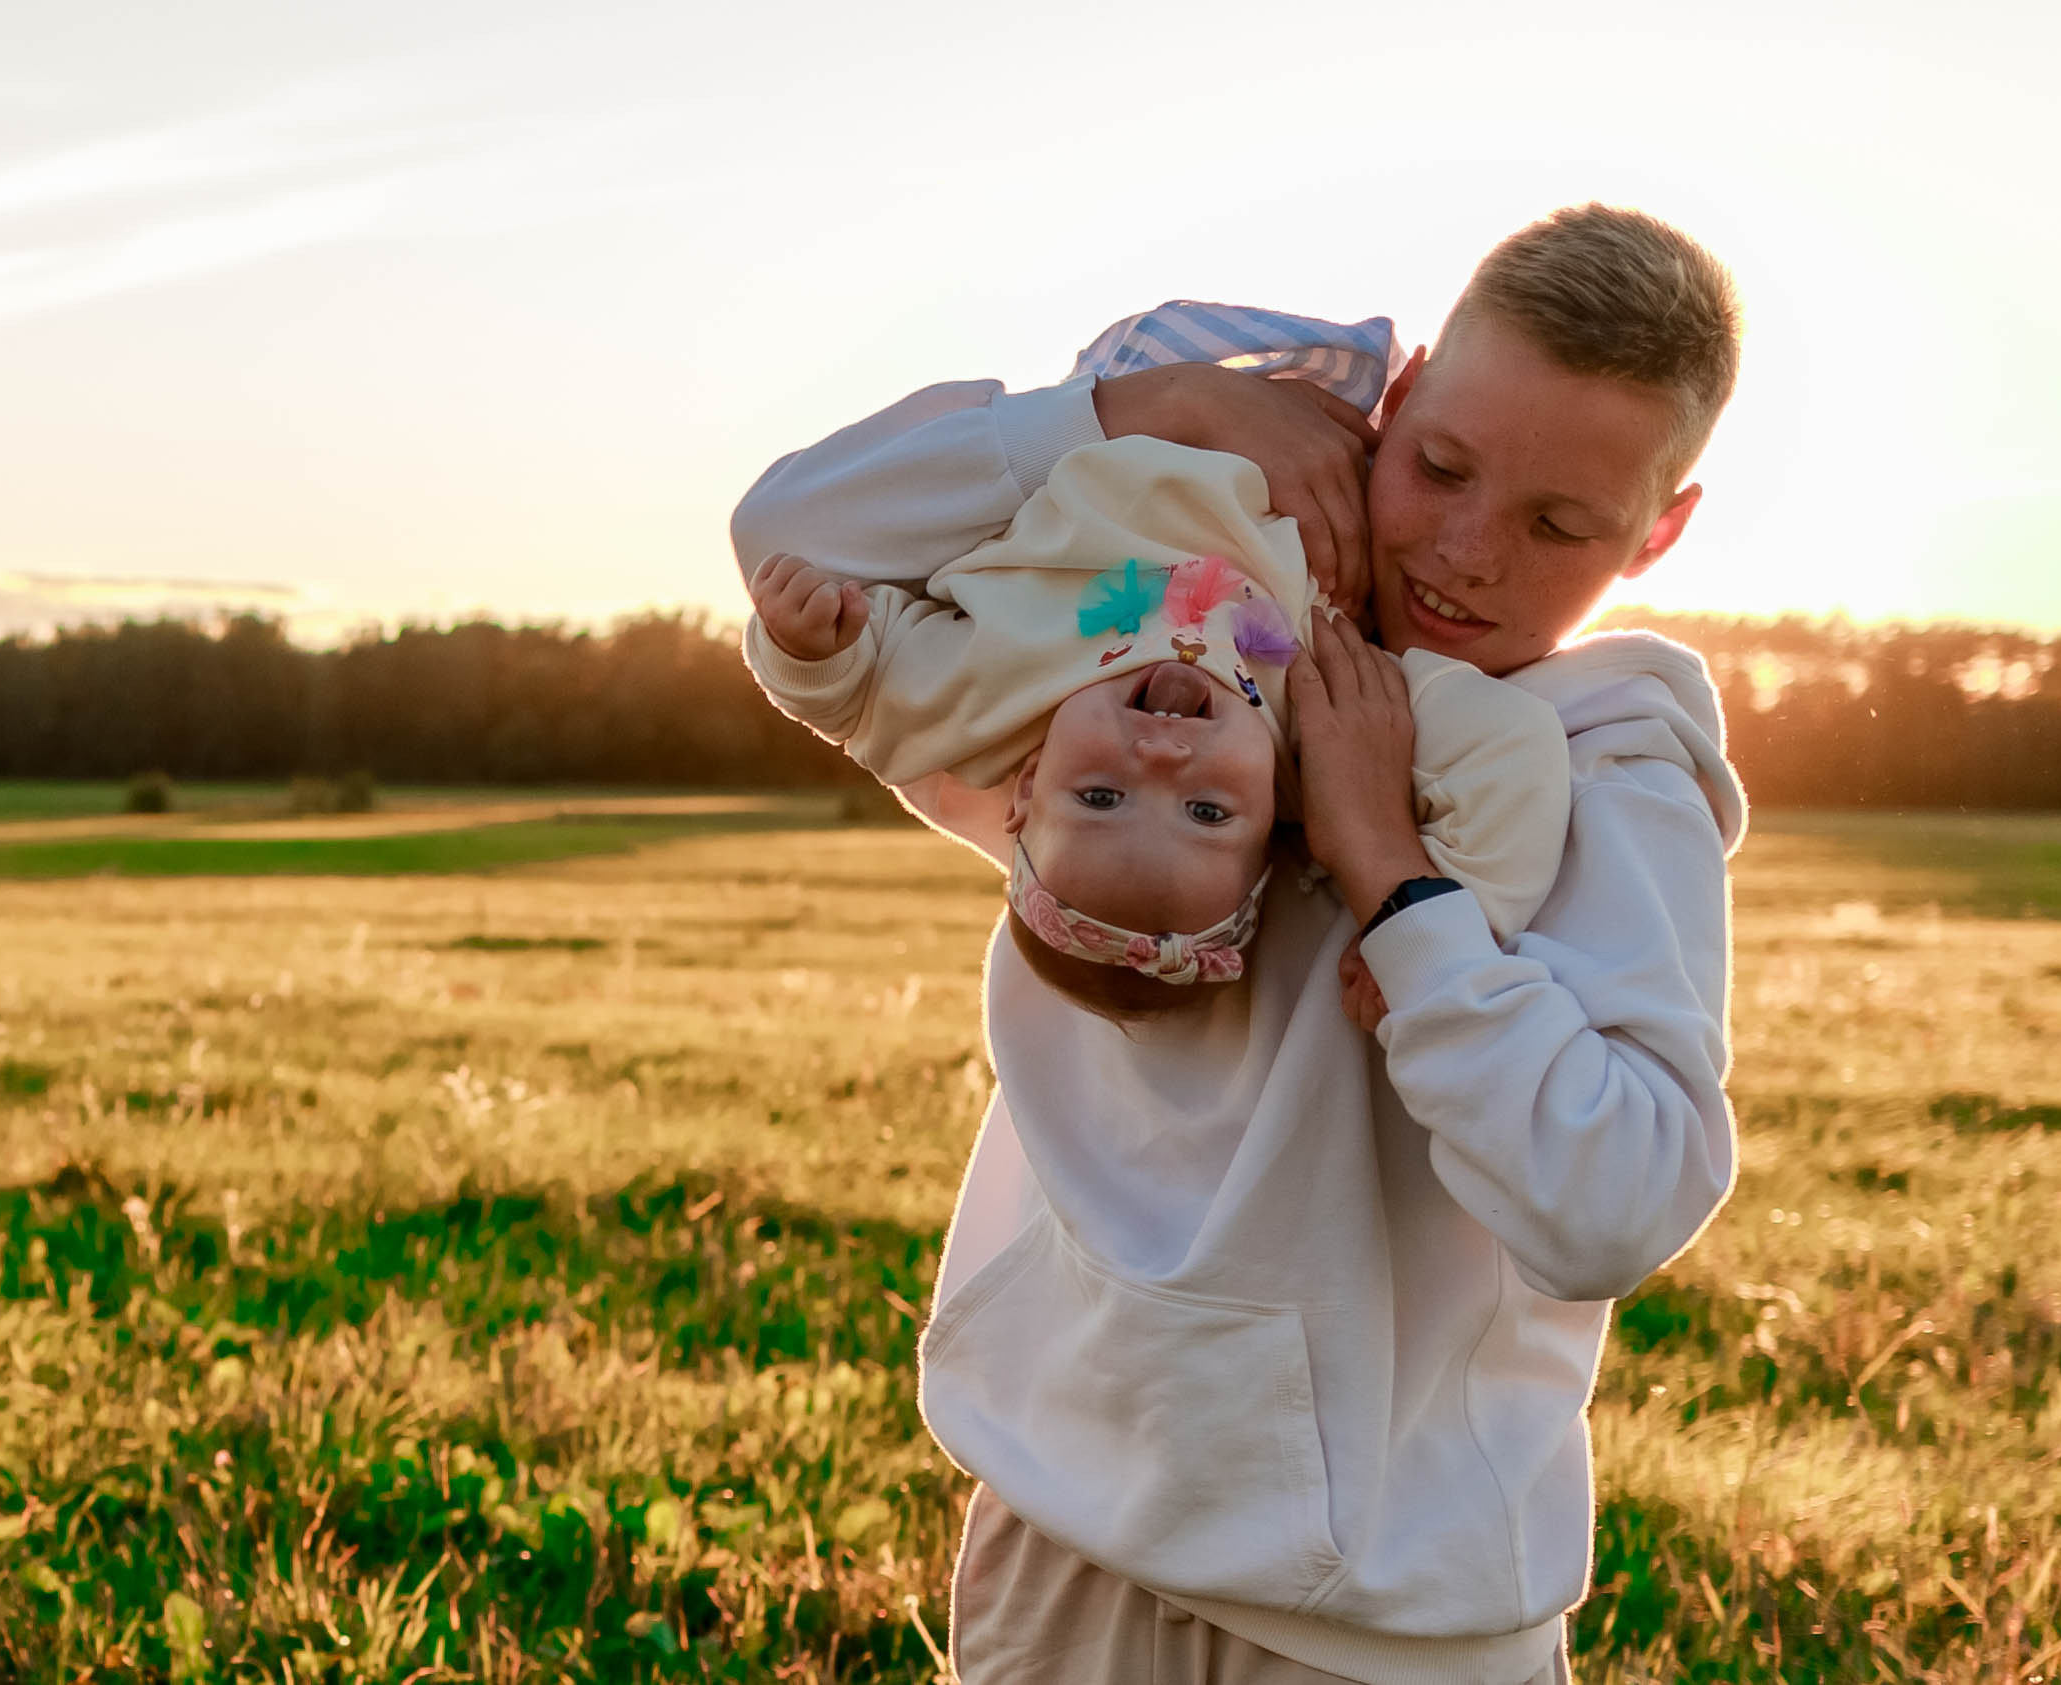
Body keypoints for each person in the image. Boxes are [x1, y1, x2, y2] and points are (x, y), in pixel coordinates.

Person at [730, 203, 1747, 1684]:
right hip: (1062, 1545)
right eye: (1440, 466)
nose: (1465, 552)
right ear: (1394, 396)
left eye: (1557, 524)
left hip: (1389, 1629)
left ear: (1658, 531)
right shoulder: (1168, 647)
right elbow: (792, 540)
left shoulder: (1609, 772)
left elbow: (1621, 1200)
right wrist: (1159, 407)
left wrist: (1395, 877)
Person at [740, 428, 1573, 1021]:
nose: (1164, 757)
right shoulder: (1324, 719)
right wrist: (1429, 921)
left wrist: (810, 647)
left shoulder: (986, 699)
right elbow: (1514, 751)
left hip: (1127, 402)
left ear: (1026, 787)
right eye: (1208, 813)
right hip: (1309, 434)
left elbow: (858, 696)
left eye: (1100, 796)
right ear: (1277, 828)